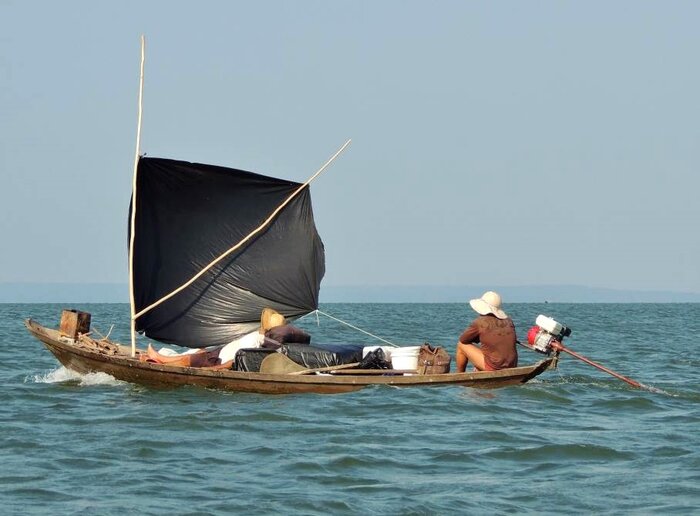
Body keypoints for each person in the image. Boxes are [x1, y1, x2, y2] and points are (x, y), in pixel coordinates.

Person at [456, 291, 518, 372]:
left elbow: (463, 340)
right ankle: (479, 369)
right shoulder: (509, 321)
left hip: (494, 367)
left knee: (461, 345)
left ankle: (460, 375)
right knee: (487, 350)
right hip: (512, 365)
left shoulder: (480, 322)